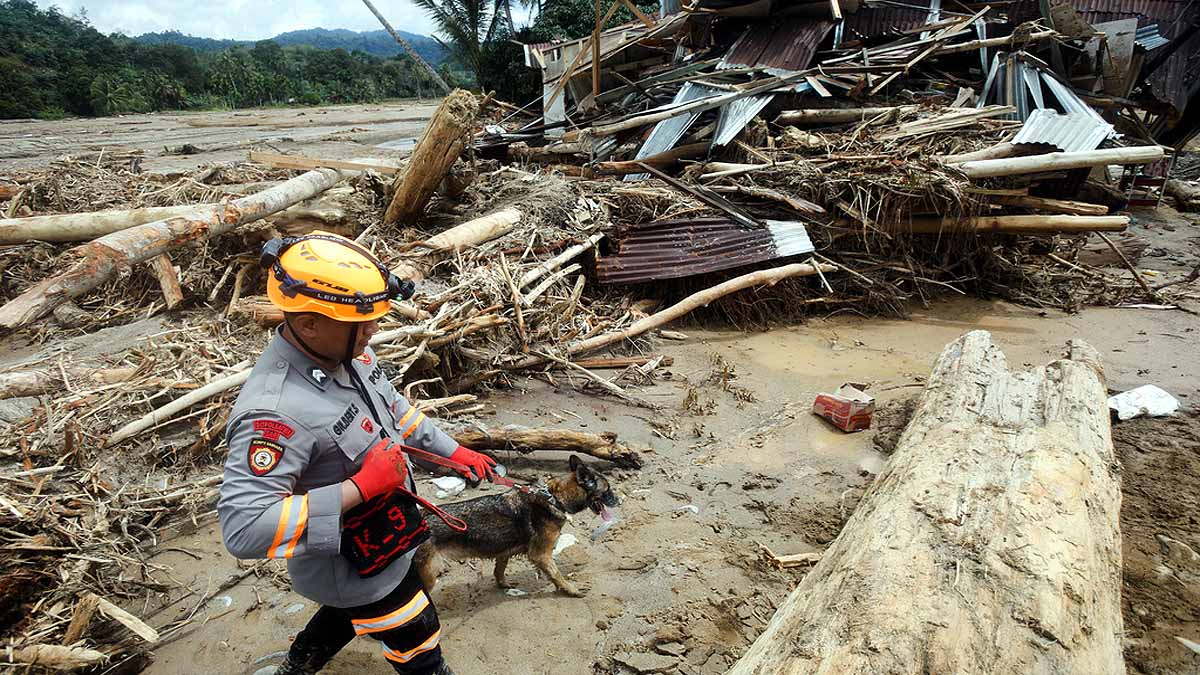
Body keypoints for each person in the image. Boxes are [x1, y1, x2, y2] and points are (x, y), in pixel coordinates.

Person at [217, 231, 499, 675]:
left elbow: (394, 413)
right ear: (309, 322)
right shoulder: (276, 412)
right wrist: (359, 488)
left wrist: (451, 452)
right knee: (420, 643)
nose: (373, 331)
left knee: (344, 615)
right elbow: (244, 528)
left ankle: (299, 664)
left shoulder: (345, 352)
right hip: (355, 564)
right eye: (361, 324)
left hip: (392, 534)